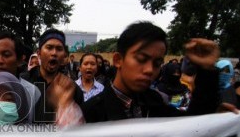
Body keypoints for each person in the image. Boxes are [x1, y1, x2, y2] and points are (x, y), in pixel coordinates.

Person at [80, 21, 221, 123]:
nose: (149, 70)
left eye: (157, 63)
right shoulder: (90, 113)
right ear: (118, 60)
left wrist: (207, 69)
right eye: (141, 59)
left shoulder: (154, 101)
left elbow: (192, 126)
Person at [21, 28, 83, 123]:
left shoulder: (72, 89)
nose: (54, 53)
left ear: (64, 55)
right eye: (49, 48)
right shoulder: (23, 82)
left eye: (59, 49)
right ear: (39, 53)